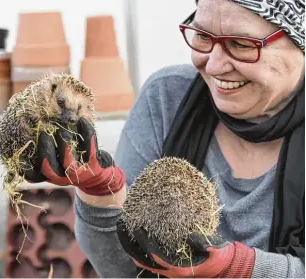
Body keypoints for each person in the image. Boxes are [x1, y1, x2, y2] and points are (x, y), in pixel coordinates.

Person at [24, 0, 305, 277]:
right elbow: (122, 269)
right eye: (204, 37)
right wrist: (100, 195)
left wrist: (239, 268)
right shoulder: (167, 99)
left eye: (242, 44)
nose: (215, 66)